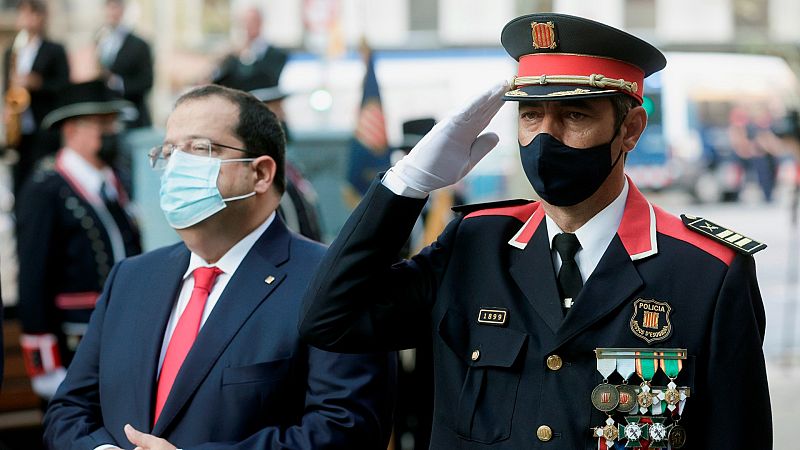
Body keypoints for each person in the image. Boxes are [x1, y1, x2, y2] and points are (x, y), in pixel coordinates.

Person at [300, 13, 772, 449]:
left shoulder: (706, 272)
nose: (546, 138)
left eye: (574, 116)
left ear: (630, 129)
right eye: (530, 115)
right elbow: (330, 319)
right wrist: (406, 185)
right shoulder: (474, 244)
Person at [44, 85, 395, 449]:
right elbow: (68, 410)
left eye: (199, 149)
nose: (175, 167)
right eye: (168, 152)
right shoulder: (131, 278)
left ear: (260, 173)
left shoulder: (333, 281)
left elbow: (347, 429)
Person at [16, 80, 142, 401]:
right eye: (103, 124)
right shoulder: (46, 188)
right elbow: (33, 277)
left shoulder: (116, 182)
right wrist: (45, 364)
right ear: (72, 130)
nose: (113, 132)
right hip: (75, 346)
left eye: (114, 123)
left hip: (122, 341)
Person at [3, 0, 69, 196]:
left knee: (43, 179)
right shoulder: (12, 51)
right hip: (19, 127)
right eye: (23, 13)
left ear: (41, 17)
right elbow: (7, 88)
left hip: (43, 126)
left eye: (31, 14)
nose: (27, 19)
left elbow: (64, 86)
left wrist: (38, 83)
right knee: (19, 179)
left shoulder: (54, 50)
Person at [250, 86, 323, 242]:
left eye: (281, 109)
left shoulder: (288, 166)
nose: (283, 116)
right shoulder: (258, 175)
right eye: (275, 110)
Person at [96, 0, 154, 129]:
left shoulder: (139, 45)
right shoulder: (100, 41)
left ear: (123, 11)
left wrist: (117, 83)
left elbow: (147, 82)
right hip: (105, 117)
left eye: (115, 8)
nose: (112, 13)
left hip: (133, 116)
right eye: (109, 8)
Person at [211, 6, 288, 92]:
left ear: (260, 22)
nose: (247, 26)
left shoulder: (276, 54)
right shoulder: (234, 54)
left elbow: (268, 81)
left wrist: (247, 58)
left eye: (251, 22)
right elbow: (220, 81)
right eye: (244, 22)